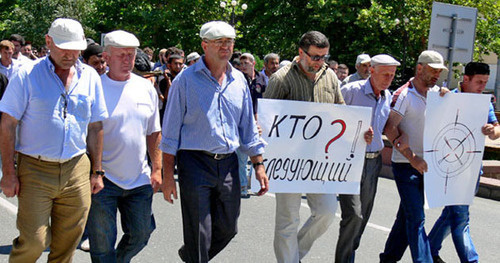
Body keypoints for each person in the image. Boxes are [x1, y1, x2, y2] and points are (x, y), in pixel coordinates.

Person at [160, 21, 269, 263]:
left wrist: (259, 165)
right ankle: (195, 255)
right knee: (199, 232)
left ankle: (190, 256)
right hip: (195, 162)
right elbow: (170, 134)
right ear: (204, 45)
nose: (225, 47)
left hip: (229, 163)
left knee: (229, 227)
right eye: (219, 42)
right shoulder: (185, 81)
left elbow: (248, 128)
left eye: (229, 42)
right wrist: (168, 176)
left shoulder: (239, 80)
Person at [0, 18, 107, 263]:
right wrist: (8, 172)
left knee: (68, 242)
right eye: (63, 47)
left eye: (75, 48)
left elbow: (96, 125)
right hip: (35, 169)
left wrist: (97, 171)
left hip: (77, 167)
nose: (70, 54)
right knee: (34, 241)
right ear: (48, 42)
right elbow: (7, 124)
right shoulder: (27, 74)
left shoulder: (90, 76)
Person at [264, 31, 344, 263]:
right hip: (288, 161)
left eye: (324, 57)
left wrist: (358, 130)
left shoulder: (330, 77)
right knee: (288, 220)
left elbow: (341, 109)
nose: (320, 62)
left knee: (327, 212)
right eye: (315, 57)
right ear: (301, 52)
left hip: (320, 161)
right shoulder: (281, 78)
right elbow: (269, 119)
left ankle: (294, 253)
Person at [86, 30, 161, 263]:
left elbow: (154, 131)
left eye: (131, 55)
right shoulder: (94, 88)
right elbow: (87, 134)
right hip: (102, 180)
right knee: (101, 243)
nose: (128, 60)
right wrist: (93, 172)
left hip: (138, 178)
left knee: (141, 233)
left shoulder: (145, 87)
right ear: (106, 57)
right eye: (121, 55)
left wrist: (158, 169)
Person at [380, 50, 448, 263]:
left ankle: (388, 259)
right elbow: (390, 128)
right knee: (417, 217)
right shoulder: (404, 95)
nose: (437, 75)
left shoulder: (437, 93)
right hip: (405, 166)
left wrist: (448, 98)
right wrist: (412, 157)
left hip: (427, 167)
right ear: (420, 68)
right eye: (433, 70)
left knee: (406, 217)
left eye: (440, 71)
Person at [428, 62, 500, 263]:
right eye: (478, 82)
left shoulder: (483, 102)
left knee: (451, 214)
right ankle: (471, 260)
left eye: (485, 82)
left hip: (473, 169)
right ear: (465, 79)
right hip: (449, 168)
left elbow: (496, 130)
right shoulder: (448, 96)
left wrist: (491, 130)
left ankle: (429, 249)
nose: (482, 87)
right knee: (461, 218)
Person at [335, 54, 400, 263]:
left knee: (362, 218)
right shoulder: (351, 91)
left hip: (374, 162)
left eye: (392, 75)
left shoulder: (387, 96)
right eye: (385, 74)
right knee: (353, 215)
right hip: (350, 160)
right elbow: (332, 120)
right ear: (371, 71)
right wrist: (355, 132)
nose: (389, 79)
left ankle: (348, 255)